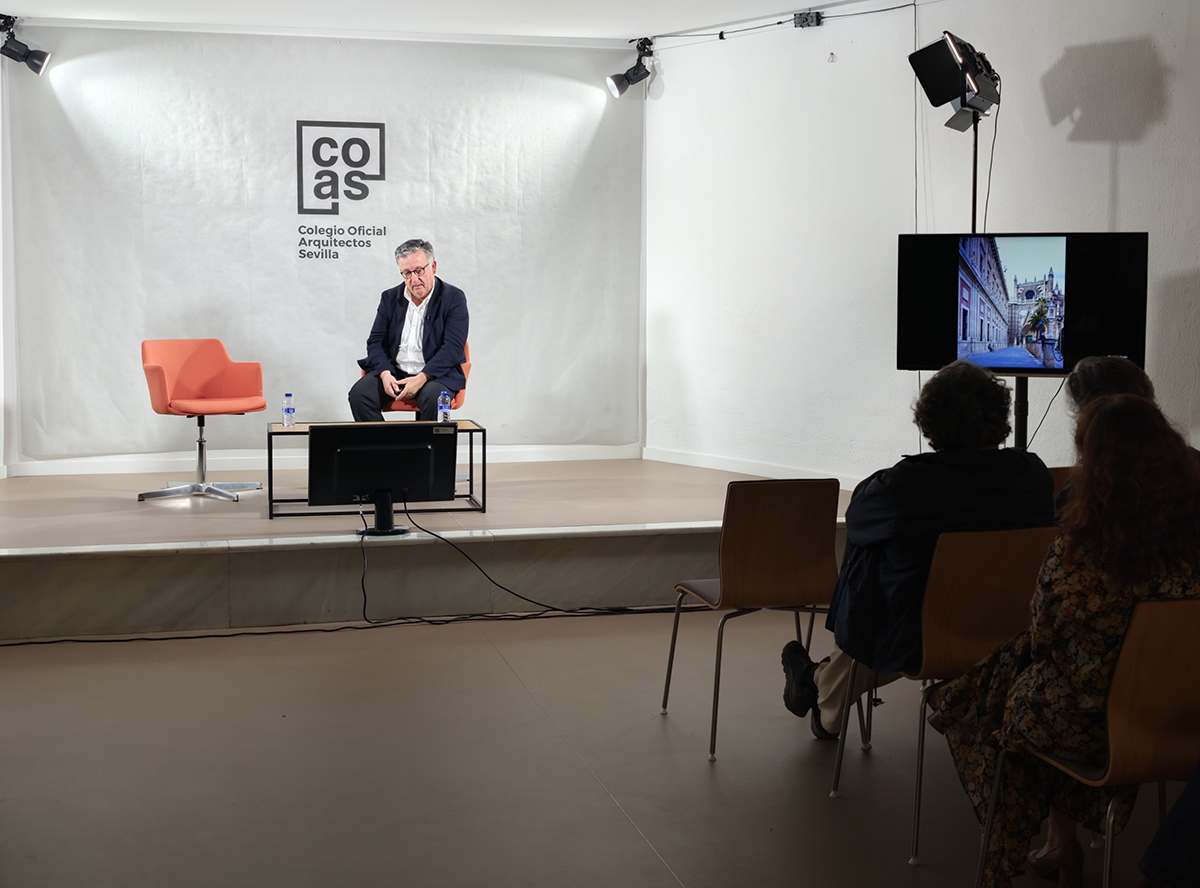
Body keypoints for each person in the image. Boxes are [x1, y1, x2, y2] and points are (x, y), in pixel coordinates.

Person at [938, 394, 1200, 888]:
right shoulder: (1191, 552)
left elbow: (1043, 637)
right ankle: (1059, 842)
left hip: (1089, 726)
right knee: (1028, 678)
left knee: (1015, 693)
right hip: (1180, 718)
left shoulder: (1076, 553)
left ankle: (1033, 843)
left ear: (1094, 467)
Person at [782, 361, 1056, 739]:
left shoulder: (903, 486)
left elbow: (857, 522)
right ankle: (816, 681)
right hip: (1014, 628)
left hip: (918, 638)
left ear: (930, 421)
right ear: (1000, 415)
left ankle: (818, 685)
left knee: (873, 555)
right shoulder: (1034, 474)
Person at [348, 239, 469, 422]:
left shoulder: (453, 297)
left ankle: (422, 443)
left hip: (435, 375)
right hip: (395, 372)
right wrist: (385, 373)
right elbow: (375, 342)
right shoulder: (389, 298)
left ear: (433, 267)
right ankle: (384, 442)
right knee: (359, 395)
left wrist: (422, 378)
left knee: (432, 397)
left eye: (419, 270)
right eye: (407, 273)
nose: (414, 279)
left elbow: (453, 348)